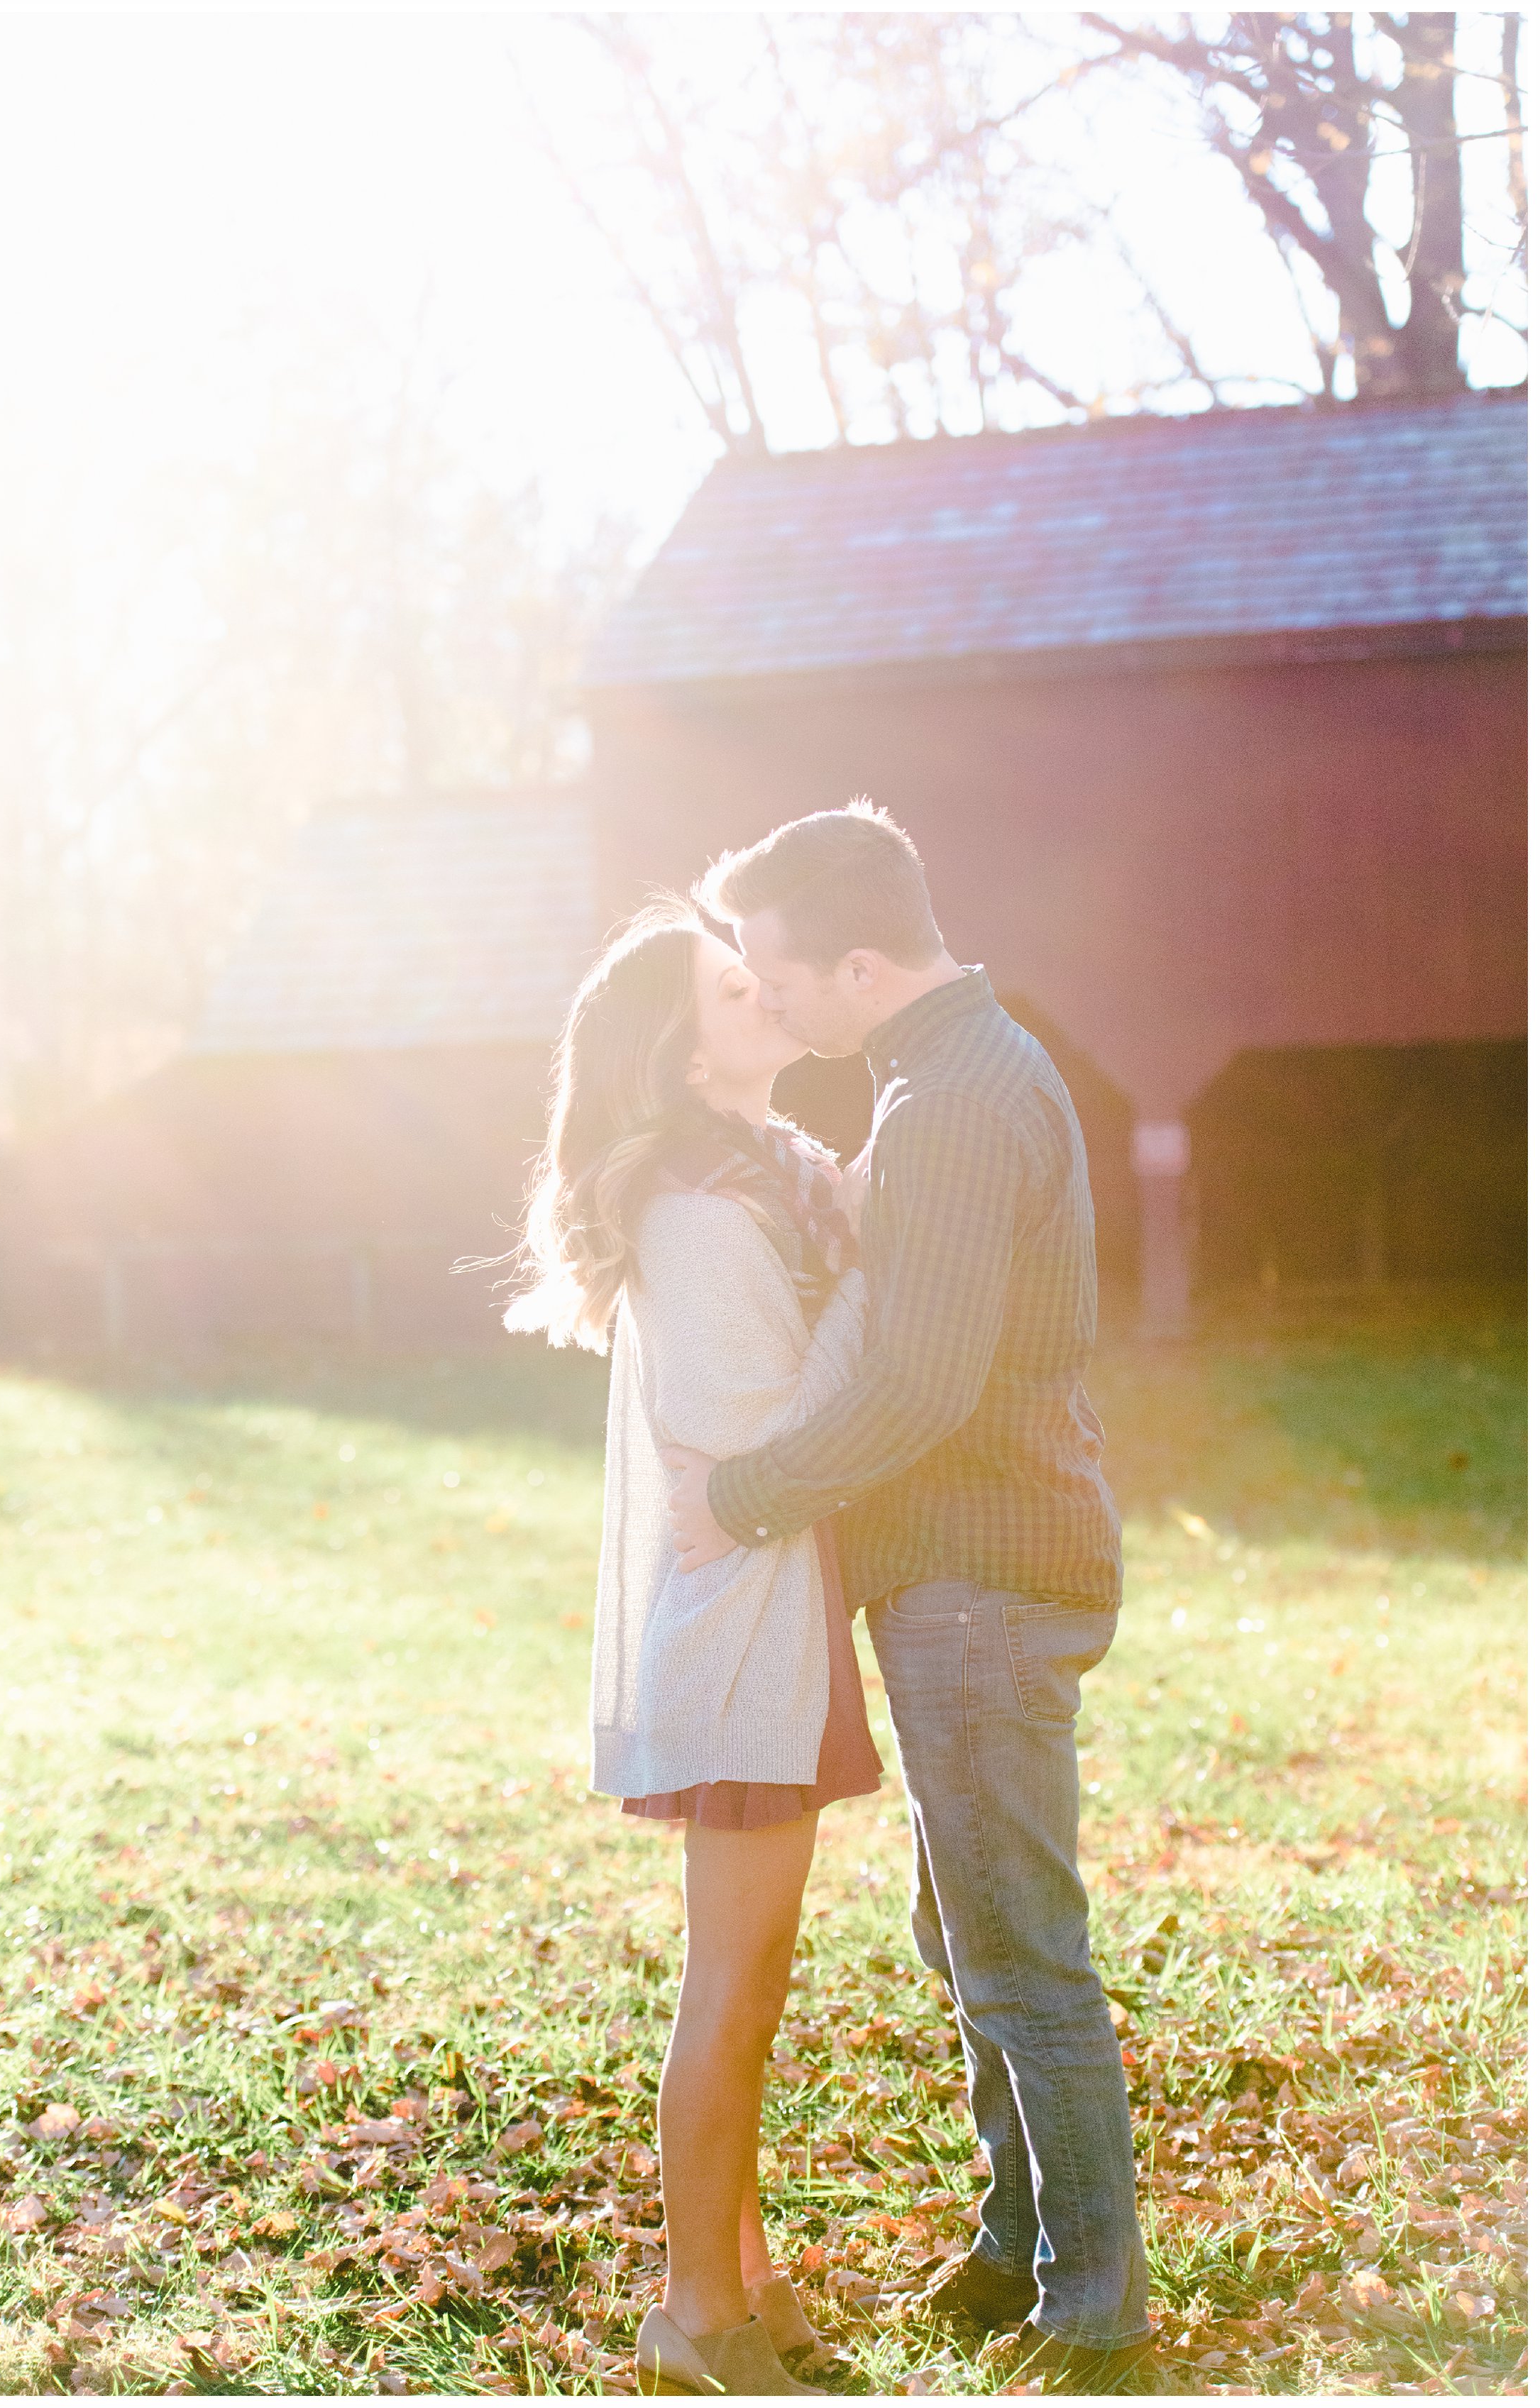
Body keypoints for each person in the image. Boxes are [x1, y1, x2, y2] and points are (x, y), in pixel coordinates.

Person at [663, 804, 1160, 2397]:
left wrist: (741, 1492)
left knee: (1019, 1948)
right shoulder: (949, 1071)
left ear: (860, 963)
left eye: (779, 974)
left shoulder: (952, 1098)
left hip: (982, 1576)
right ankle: (1019, 2238)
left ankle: (1096, 2310)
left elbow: (922, 1382)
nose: (771, 1000)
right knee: (970, 1931)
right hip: (966, 1570)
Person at [504, 900, 884, 2398]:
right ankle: (689, 2311)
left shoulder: (766, 1177)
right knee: (733, 1982)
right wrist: (878, 1273)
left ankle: (745, 2276)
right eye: (735, 986)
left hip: (771, 1619)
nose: (767, 992)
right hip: (738, 1639)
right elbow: (766, 1432)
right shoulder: (701, 1208)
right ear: (685, 1042)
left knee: (755, 1969)